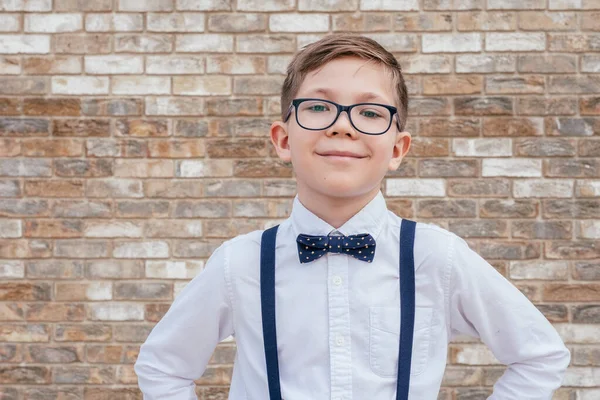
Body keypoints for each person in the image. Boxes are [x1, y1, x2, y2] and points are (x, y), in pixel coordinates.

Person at [134, 34, 571, 399]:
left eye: (369, 112)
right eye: (319, 107)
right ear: (283, 139)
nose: (343, 126)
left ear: (397, 149)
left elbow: (539, 355)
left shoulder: (437, 257)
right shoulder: (239, 263)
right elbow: (163, 366)